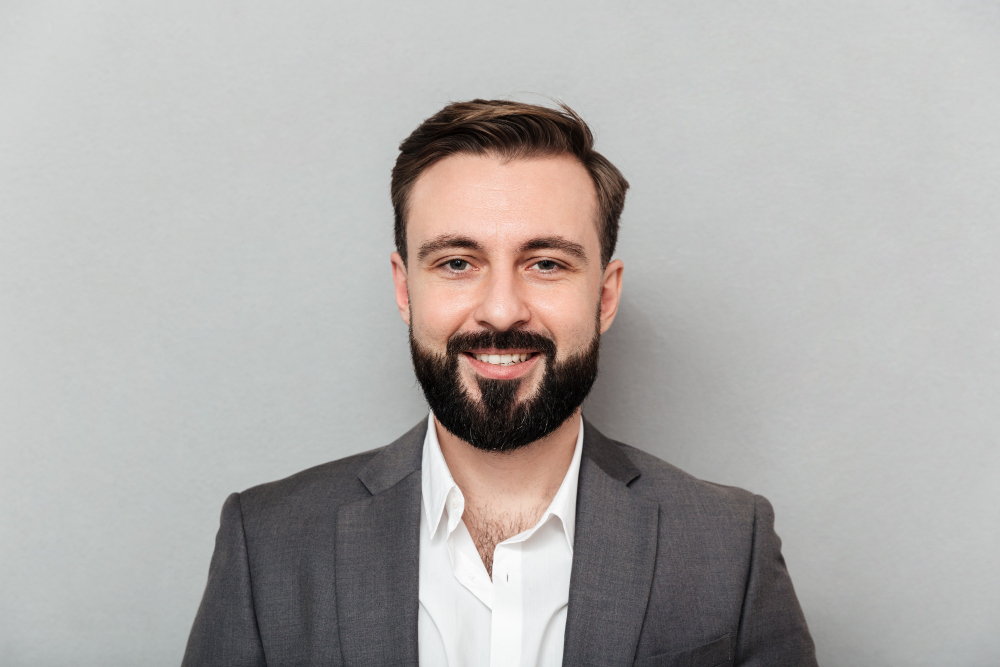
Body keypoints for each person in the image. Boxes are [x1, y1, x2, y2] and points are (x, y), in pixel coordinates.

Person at [182, 99, 818, 667]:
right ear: (406, 289)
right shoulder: (267, 542)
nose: (501, 309)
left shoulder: (730, 544)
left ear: (605, 295)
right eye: (458, 263)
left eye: (546, 263)